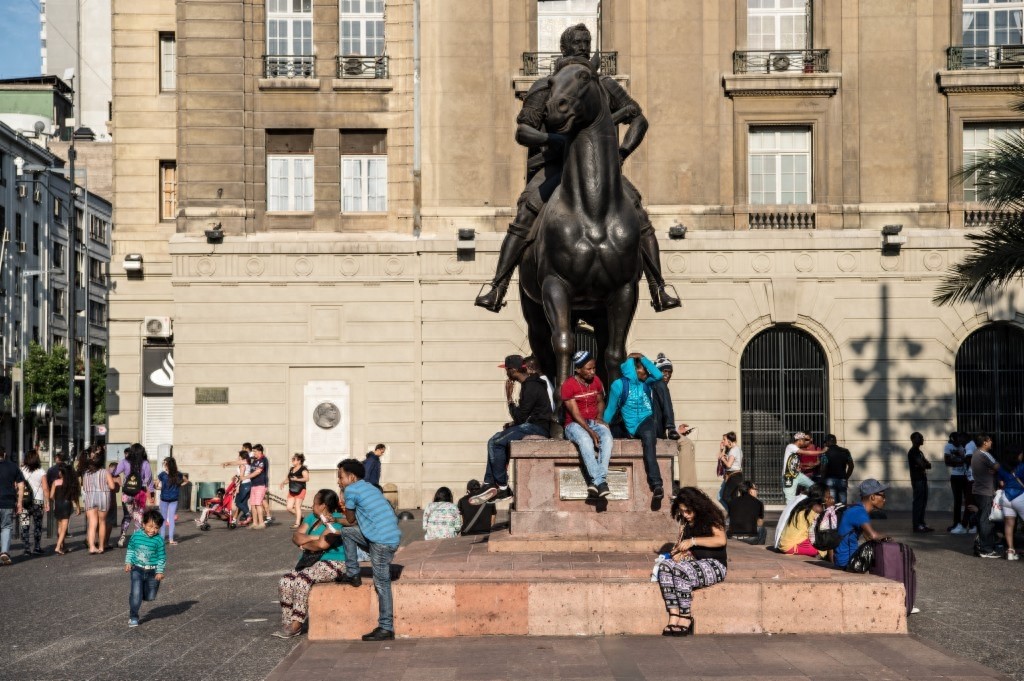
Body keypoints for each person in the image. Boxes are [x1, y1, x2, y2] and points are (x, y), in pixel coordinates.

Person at [473, 23, 680, 315]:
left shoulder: (602, 84)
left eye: (586, 42)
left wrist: (620, 153)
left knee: (636, 210)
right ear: (563, 48)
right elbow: (523, 131)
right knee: (526, 212)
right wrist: (553, 139)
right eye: (576, 42)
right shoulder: (546, 86)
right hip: (554, 167)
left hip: (600, 170)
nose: (582, 47)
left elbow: (639, 119)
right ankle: (498, 286)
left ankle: (658, 286)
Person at [469, 355, 553, 505]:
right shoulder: (530, 384)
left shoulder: (531, 386)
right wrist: (513, 423)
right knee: (496, 437)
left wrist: (509, 399)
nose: (506, 373)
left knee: (495, 442)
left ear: (513, 370)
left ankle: (503, 487)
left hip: (537, 428)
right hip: (532, 424)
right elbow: (526, 415)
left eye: (507, 370)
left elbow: (522, 417)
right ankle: (489, 483)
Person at [335, 458, 402, 641]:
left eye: (340, 477)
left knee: (381, 583)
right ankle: (353, 573)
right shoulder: (370, 487)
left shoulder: (351, 490)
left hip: (381, 541)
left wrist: (343, 495)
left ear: (352, 477)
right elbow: (354, 523)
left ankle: (386, 628)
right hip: (390, 536)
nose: (338, 481)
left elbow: (349, 519)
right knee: (348, 533)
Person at [273, 489, 348, 638]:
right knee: (285, 581)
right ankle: (287, 623)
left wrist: (305, 541)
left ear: (323, 506)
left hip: (334, 562)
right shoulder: (311, 519)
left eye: (315, 503)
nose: (312, 506)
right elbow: (296, 537)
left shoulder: (337, 520)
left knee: (302, 580)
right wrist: (314, 538)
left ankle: (296, 624)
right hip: (311, 562)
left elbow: (322, 545)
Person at [656, 487, 727, 636]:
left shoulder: (711, 517)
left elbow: (721, 540)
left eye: (688, 511)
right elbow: (684, 546)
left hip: (715, 564)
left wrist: (693, 541)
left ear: (697, 506)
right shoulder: (686, 522)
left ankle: (686, 616)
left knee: (680, 571)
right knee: (665, 567)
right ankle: (674, 615)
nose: (685, 515)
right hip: (694, 563)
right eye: (682, 511)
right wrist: (679, 553)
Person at [603, 353, 665, 500]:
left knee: (649, 439)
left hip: (645, 421)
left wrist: (643, 358)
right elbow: (611, 409)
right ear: (636, 370)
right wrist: (602, 426)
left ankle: (656, 484)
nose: (647, 372)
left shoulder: (646, 382)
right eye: (644, 369)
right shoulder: (619, 385)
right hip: (627, 426)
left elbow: (658, 375)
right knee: (605, 439)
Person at [561, 350, 614, 497]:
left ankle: (597, 481)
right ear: (578, 369)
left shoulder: (596, 381)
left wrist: (599, 417)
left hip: (593, 421)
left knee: (608, 438)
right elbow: (575, 413)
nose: (592, 372)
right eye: (588, 369)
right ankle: (600, 481)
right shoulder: (568, 385)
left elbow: (600, 401)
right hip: (574, 424)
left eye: (594, 368)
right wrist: (590, 431)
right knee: (585, 440)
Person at [833, 479, 891, 569]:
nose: (884, 499)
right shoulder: (860, 513)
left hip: (845, 559)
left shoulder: (857, 509)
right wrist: (890, 539)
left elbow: (867, 537)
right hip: (847, 562)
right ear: (872, 497)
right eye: (882, 496)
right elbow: (873, 535)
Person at [124, 508, 167, 627]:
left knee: (150, 596)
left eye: (156, 528)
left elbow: (161, 557)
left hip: (152, 571)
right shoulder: (136, 536)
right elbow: (131, 549)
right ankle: (133, 616)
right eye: (150, 526)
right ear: (143, 524)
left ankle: (138, 594)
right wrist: (128, 562)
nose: (153, 530)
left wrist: (159, 571)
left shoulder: (159, 540)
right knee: (136, 593)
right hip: (137, 568)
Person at [114, 443, 154, 548]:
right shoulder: (145, 463)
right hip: (140, 493)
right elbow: (149, 480)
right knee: (138, 516)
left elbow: (114, 472)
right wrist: (151, 494)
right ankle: (137, 541)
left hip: (126, 493)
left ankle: (122, 538)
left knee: (127, 516)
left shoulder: (124, 462)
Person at [81, 446, 117, 554]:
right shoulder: (105, 472)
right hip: (103, 497)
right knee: (102, 522)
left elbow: (84, 487)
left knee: (92, 523)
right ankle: (101, 546)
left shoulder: (86, 473)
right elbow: (112, 486)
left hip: (90, 497)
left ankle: (91, 547)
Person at [779, 484, 830, 557]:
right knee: (822, 549)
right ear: (822, 496)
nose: (830, 497)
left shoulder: (804, 504)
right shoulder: (816, 508)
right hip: (791, 546)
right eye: (828, 494)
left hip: (785, 541)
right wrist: (829, 506)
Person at [971, 434, 1001, 558]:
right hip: (985, 492)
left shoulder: (977, 454)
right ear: (984, 442)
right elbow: (998, 467)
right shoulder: (983, 455)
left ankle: (982, 545)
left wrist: (993, 471)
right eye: (990, 440)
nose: (991, 442)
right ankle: (985, 549)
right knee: (986, 520)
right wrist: (995, 470)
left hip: (980, 490)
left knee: (983, 519)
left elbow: (994, 469)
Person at [19, 449, 48, 556]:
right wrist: (47, 502)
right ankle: (36, 547)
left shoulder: (21, 470)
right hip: (38, 502)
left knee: (25, 524)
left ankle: (27, 548)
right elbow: (45, 488)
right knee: (38, 525)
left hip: (24, 501)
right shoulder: (41, 472)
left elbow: (16, 485)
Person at [996, 447, 1024, 560]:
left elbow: (1001, 483)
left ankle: (1011, 551)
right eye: (1021, 454)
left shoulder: (1001, 468)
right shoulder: (1022, 466)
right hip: (1020, 496)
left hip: (1006, 497)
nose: (1022, 456)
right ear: (1016, 455)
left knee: (1009, 525)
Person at [0, 447, 26, 565]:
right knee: (6, 526)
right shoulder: (12, 466)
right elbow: (21, 485)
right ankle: (4, 551)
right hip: (7, 501)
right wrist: (19, 503)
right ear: (4, 454)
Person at [50, 462, 80, 555]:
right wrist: (78, 507)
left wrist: (56, 498)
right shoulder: (70, 483)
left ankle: (62, 546)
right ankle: (58, 547)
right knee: (64, 528)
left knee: (59, 526)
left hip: (58, 505)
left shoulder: (55, 482)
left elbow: (51, 496)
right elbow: (74, 497)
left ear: (61, 473)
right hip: (67, 505)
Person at [907, 432, 934, 533]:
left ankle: (921, 523)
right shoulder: (913, 452)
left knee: (923, 502)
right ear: (914, 439)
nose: (923, 439)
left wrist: (924, 464)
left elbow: (928, 465)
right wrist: (923, 464)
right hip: (917, 480)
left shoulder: (919, 452)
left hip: (922, 479)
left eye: (922, 437)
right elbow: (923, 465)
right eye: (920, 438)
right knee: (918, 503)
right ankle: (917, 525)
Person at [726, 481, 766, 545]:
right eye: (755, 489)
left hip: (733, 537)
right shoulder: (758, 503)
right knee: (763, 529)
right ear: (750, 490)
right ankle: (759, 550)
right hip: (750, 539)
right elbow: (760, 523)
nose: (757, 491)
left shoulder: (732, 502)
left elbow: (728, 519)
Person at [944, 432, 969, 534]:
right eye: (957, 439)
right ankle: (956, 523)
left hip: (965, 476)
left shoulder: (963, 446)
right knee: (957, 501)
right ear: (953, 439)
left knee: (968, 500)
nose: (959, 441)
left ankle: (967, 523)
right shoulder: (948, 447)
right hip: (956, 477)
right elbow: (947, 462)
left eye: (960, 438)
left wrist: (962, 460)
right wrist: (962, 461)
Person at [651, 353, 680, 440]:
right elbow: (667, 406)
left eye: (669, 372)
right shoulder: (660, 384)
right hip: (656, 429)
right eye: (664, 371)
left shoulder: (649, 384)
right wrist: (671, 428)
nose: (667, 375)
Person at [782, 433, 817, 504]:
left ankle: (802, 499)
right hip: (789, 476)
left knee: (814, 487)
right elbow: (807, 453)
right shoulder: (791, 447)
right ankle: (790, 513)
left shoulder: (797, 450)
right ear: (799, 440)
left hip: (797, 474)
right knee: (790, 501)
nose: (805, 442)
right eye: (804, 440)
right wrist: (821, 451)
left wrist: (801, 466)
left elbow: (795, 462)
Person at [820, 434, 854, 505]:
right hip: (842, 480)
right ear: (835, 441)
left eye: (825, 442)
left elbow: (823, 467)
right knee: (843, 504)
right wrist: (846, 477)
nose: (825, 444)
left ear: (828, 442)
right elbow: (851, 466)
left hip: (829, 480)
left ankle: (834, 516)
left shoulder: (825, 452)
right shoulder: (845, 451)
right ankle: (842, 515)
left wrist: (822, 480)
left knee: (832, 504)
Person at [156, 456, 183, 544]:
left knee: (163, 519)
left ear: (167, 464)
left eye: (164, 463)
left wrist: (160, 488)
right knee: (171, 519)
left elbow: (156, 485)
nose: (163, 465)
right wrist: (178, 486)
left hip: (164, 498)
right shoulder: (178, 474)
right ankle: (171, 539)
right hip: (174, 498)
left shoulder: (162, 474)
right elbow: (185, 480)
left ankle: (162, 539)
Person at [281, 453, 310, 528]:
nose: (292, 461)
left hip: (300, 489)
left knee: (297, 506)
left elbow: (307, 478)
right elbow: (288, 479)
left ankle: (297, 523)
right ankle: (301, 516)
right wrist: (283, 483)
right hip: (292, 490)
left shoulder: (303, 469)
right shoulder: (291, 469)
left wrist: (297, 479)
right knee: (289, 507)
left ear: (299, 461)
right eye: (292, 459)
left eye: (294, 459)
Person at [244, 444, 270, 529]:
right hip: (254, 485)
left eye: (255, 451)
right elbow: (243, 461)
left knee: (258, 504)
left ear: (260, 451)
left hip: (261, 485)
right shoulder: (254, 460)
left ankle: (261, 523)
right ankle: (255, 523)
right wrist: (229, 463)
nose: (253, 453)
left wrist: (245, 477)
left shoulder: (263, 460)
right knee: (253, 504)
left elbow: (258, 471)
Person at [223, 449, 252, 525]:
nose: (238, 457)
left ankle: (248, 515)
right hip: (248, 484)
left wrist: (238, 486)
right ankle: (244, 518)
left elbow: (241, 476)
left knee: (238, 502)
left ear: (242, 457)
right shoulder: (247, 462)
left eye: (239, 456)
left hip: (244, 484)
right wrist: (235, 476)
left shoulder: (243, 464)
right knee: (243, 503)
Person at [717, 432, 743, 512]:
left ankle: (735, 512)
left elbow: (728, 465)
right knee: (732, 497)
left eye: (724, 439)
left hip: (734, 476)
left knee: (724, 497)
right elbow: (720, 457)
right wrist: (721, 449)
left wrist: (723, 459)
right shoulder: (734, 449)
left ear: (729, 440)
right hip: (735, 476)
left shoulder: (734, 450)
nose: (723, 441)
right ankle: (734, 514)